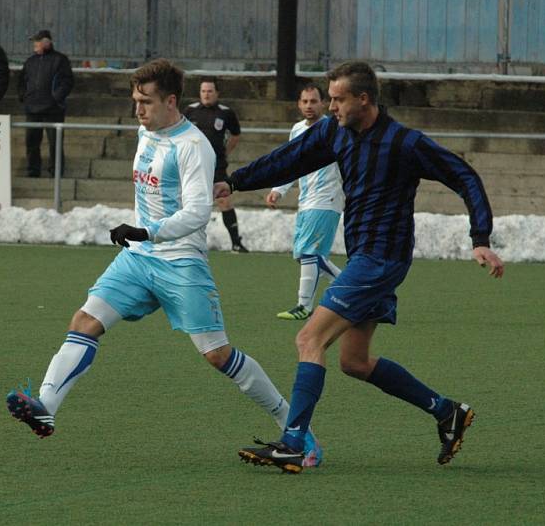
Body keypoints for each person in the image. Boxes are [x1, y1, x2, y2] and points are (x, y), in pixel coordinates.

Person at [5, 59, 323, 467]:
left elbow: (196, 211)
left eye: (146, 102)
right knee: (84, 321)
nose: (138, 110)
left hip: (181, 261)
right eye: (135, 100)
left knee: (218, 354)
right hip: (138, 258)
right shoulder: (146, 131)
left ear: (171, 101)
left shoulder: (194, 147)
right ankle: (46, 406)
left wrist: (146, 231)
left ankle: (295, 428)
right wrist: (142, 238)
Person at [215, 61, 505, 473]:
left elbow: (465, 176)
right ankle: (446, 412)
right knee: (354, 361)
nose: (329, 106)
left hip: (381, 260)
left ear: (363, 99)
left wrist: (480, 239)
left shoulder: (405, 143)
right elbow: (290, 158)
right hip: (365, 258)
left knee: (308, 339)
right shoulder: (336, 132)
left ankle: (294, 442)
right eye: (329, 98)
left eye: (337, 99)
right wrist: (237, 181)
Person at [266, 84, 344, 320]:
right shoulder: (297, 129)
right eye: (305, 101)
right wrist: (279, 189)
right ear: (299, 104)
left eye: (314, 101)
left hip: (326, 199)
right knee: (308, 256)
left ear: (323, 103)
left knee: (310, 253)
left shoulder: (334, 129)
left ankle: (304, 306)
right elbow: (292, 163)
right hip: (306, 199)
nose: (309, 106)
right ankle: (359, 293)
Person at [183, 77, 248, 253]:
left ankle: (236, 242)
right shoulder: (190, 111)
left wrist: (224, 153)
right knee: (190, 202)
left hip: (217, 165)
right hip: (193, 165)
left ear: (217, 93)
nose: (206, 94)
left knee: (224, 200)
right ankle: (186, 243)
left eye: (210, 91)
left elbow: (235, 135)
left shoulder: (226, 113)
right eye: (203, 91)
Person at [18, 30, 74, 177]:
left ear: (47, 42)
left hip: (53, 109)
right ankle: (33, 170)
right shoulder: (31, 61)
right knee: (32, 142)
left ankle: (56, 172)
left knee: (55, 143)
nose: (35, 45)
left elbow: (67, 81)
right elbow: (22, 80)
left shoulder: (60, 60)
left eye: (38, 41)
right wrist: (24, 96)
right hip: (32, 108)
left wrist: (56, 97)